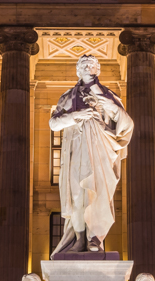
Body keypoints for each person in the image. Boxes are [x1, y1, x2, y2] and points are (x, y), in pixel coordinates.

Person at [49, 55, 133, 254]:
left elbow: (126, 123)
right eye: (84, 65)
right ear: (78, 71)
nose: (88, 67)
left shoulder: (109, 95)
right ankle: (79, 239)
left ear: (98, 70)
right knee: (78, 195)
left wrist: (107, 105)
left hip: (100, 148)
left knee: (98, 193)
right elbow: (54, 123)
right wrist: (76, 115)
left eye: (92, 65)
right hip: (76, 149)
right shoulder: (67, 97)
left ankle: (95, 237)